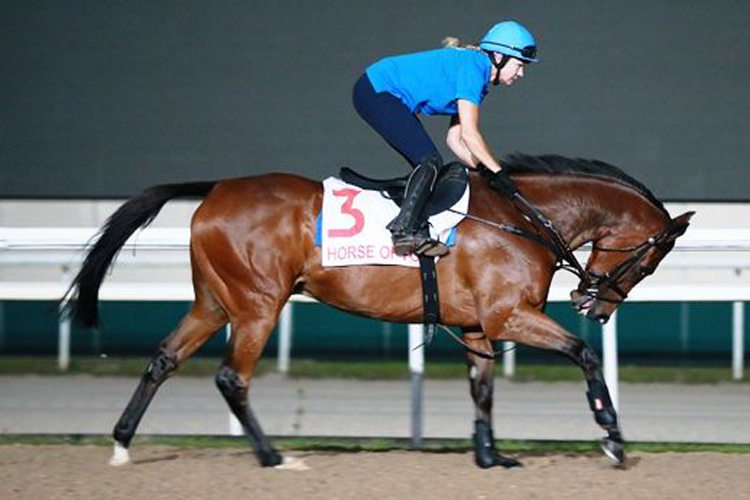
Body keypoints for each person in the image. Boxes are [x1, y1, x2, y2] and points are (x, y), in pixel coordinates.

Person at [352, 20, 538, 256]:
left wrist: (485, 171)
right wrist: (499, 173)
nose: (521, 73)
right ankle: (404, 229)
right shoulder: (474, 67)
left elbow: (455, 140)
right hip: (376, 90)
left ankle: (415, 227)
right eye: (520, 65)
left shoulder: (478, 78)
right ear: (499, 57)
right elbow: (471, 135)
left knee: (430, 164)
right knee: (429, 161)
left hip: (380, 91)